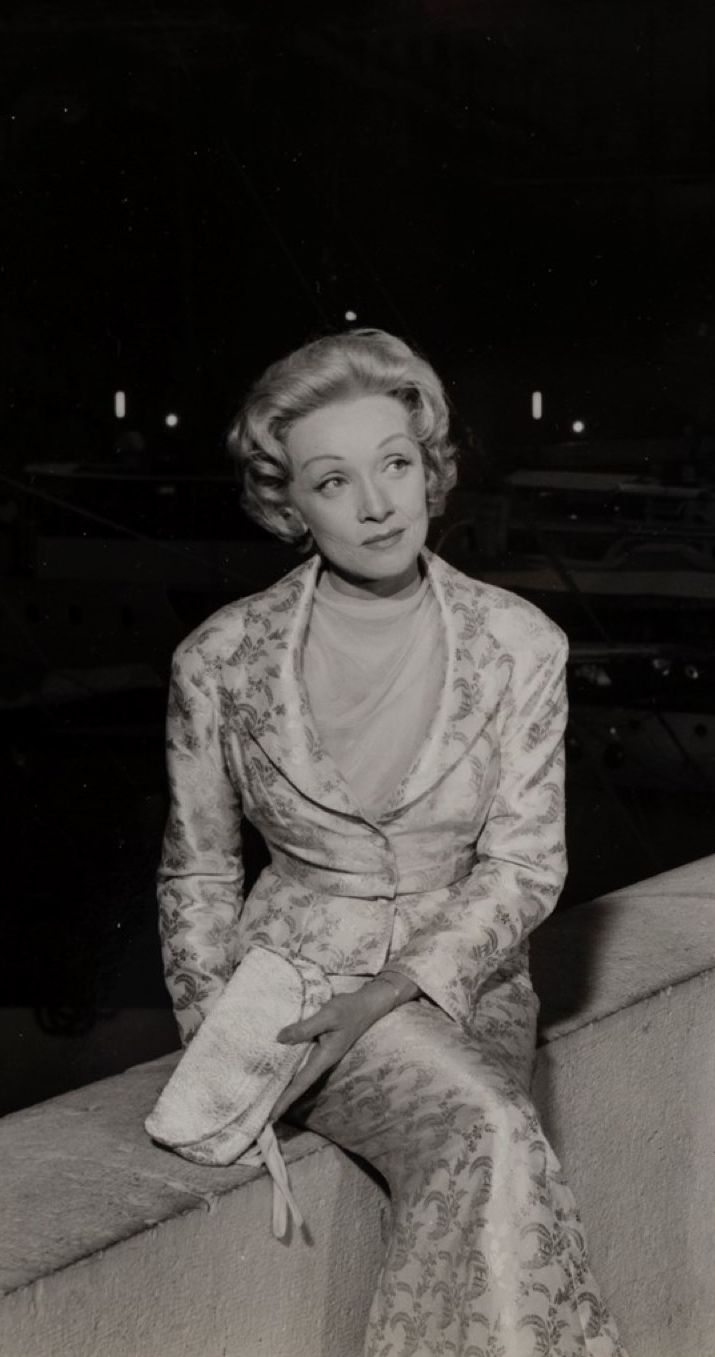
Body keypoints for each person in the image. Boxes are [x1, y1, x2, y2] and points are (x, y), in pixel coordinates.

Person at [156, 329, 623, 1357]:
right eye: (334, 480)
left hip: (460, 988)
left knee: (485, 1131)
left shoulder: (518, 642)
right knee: (492, 1132)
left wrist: (390, 988)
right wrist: (217, 1035)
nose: (376, 505)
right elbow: (197, 867)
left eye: (396, 465)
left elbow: (524, 863)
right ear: (288, 502)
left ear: (431, 470)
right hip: (288, 993)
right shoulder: (219, 658)